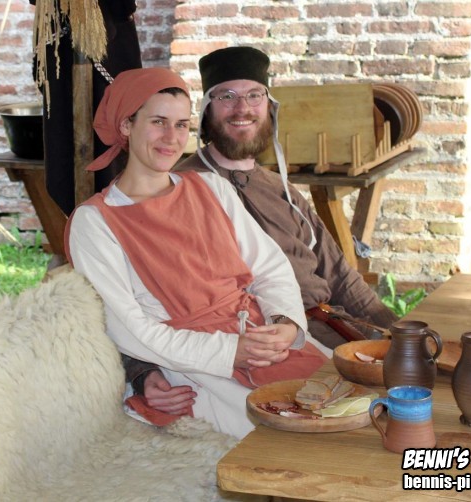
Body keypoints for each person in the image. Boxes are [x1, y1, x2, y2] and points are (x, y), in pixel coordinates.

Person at [123, 46, 398, 418]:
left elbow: (340, 277)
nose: (242, 109)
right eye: (227, 97)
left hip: (334, 331)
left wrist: (398, 332)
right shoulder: (180, 191)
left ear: (269, 107)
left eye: (254, 95)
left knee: (415, 390)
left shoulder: (281, 188)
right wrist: (141, 372)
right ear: (206, 112)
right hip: (260, 346)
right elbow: (141, 295)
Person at [64, 67, 331, 439]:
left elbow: (270, 267)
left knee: (352, 405)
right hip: (194, 365)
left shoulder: (211, 187)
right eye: (158, 122)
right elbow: (128, 328)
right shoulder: (95, 221)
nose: (171, 138)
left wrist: (285, 324)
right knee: (294, 437)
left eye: (180, 125)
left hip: (260, 339)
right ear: (126, 125)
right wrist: (228, 352)